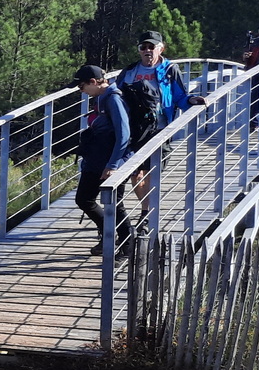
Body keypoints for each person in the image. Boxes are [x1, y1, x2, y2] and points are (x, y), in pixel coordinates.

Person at [115, 31, 207, 225]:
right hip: (134, 129)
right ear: (139, 50)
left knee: (151, 172)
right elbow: (116, 95)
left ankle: (145, 214)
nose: (148, 50)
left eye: (152, 47)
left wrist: (191, 100)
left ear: (160, 48)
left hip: (160, 128)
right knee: (135, 173)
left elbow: (180, 96)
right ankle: (146, 212)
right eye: (143, 47)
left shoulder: (169, 69)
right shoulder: (130, 71)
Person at [70, 65, 134, 258]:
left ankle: (129, 246)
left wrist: (113, 165)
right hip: (96, 161)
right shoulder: (100, 98)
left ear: (93, 82)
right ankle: (109, 235)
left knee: (116, 205)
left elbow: (124, 135)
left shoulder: (114, 99)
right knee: (84, 199)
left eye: (82, 87)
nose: (81, 92)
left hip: (112, 162)